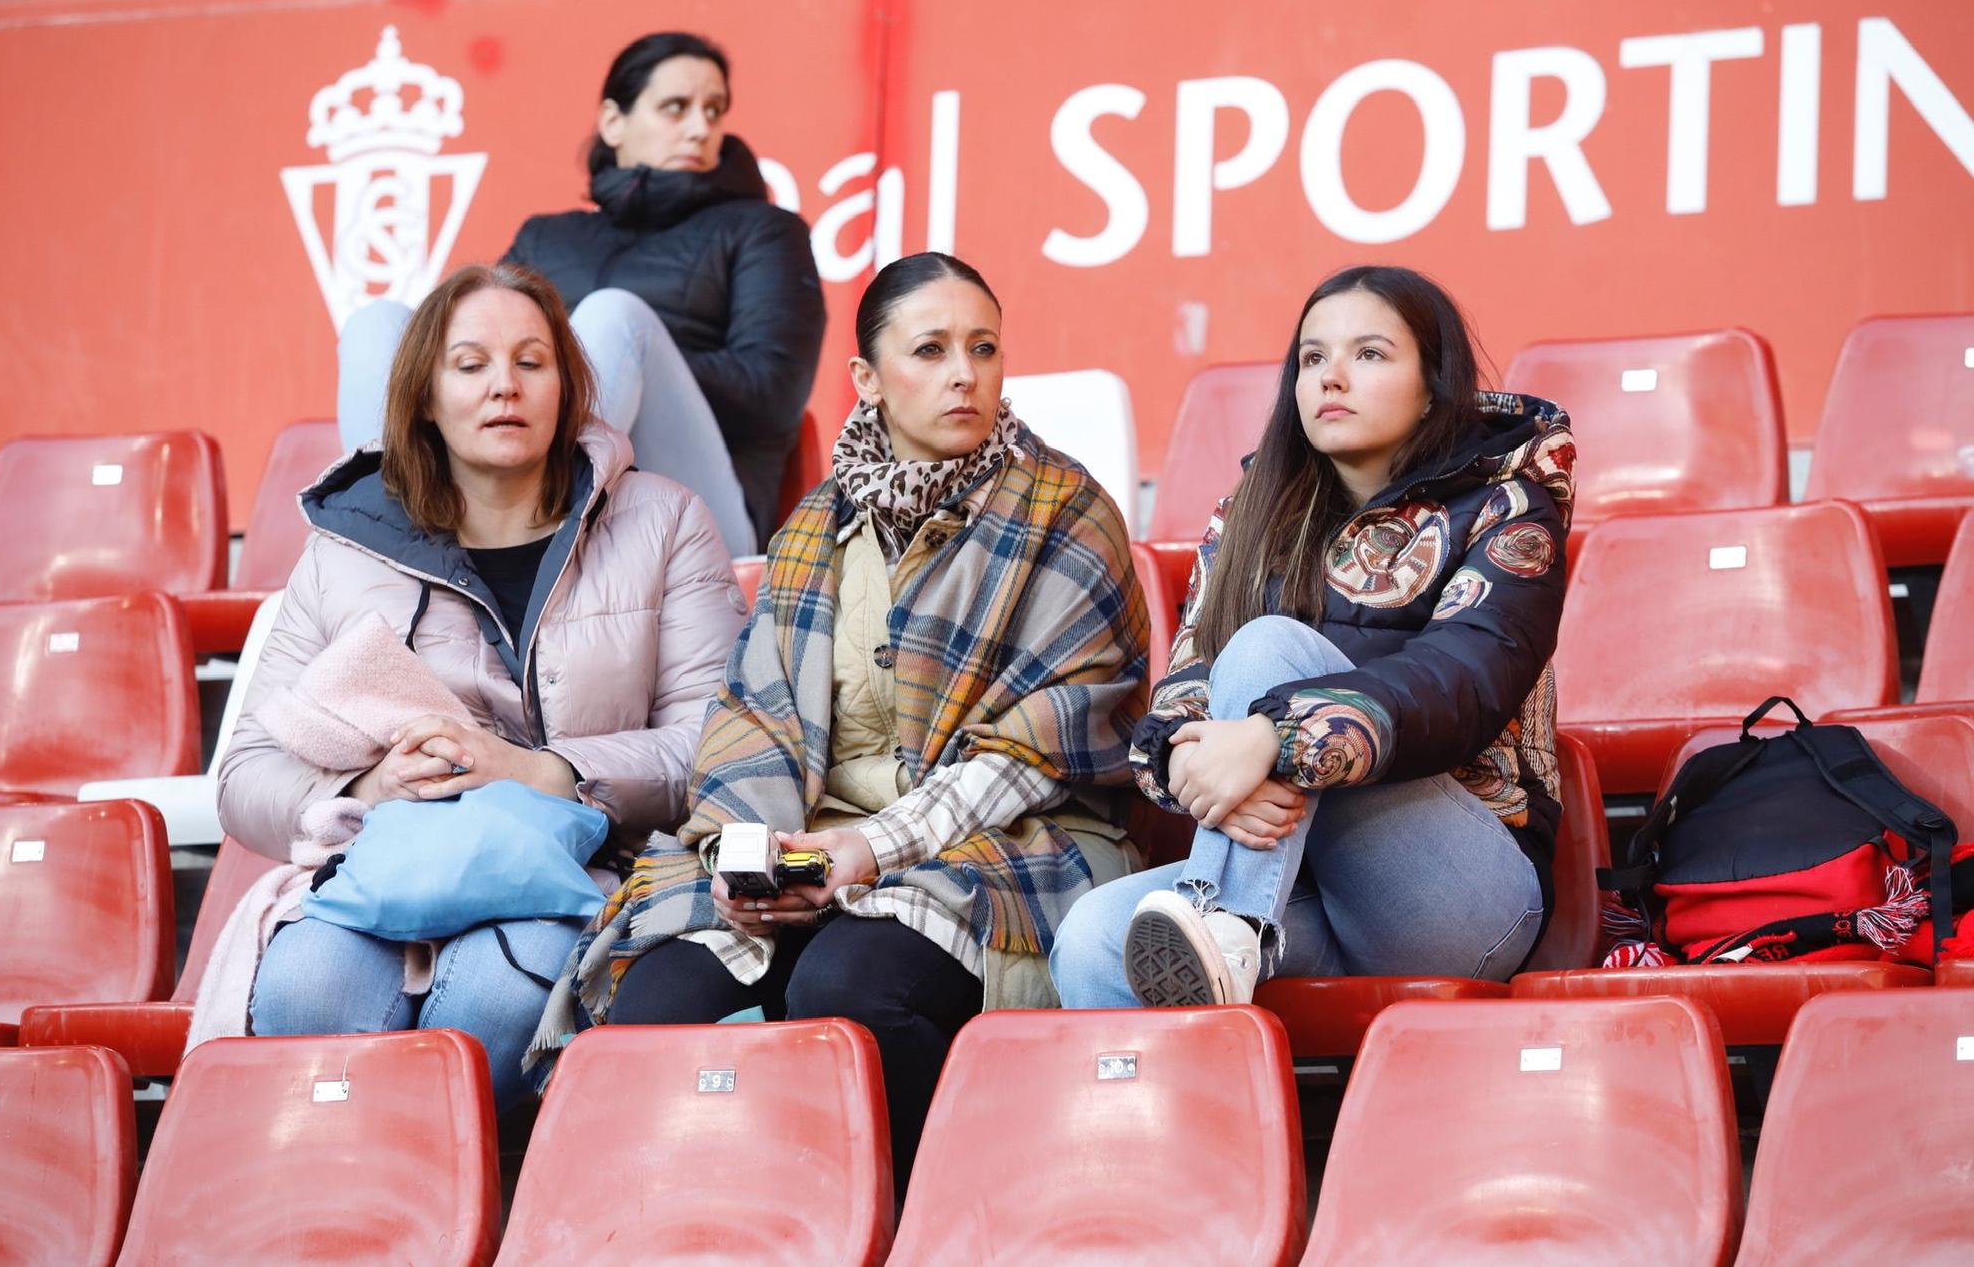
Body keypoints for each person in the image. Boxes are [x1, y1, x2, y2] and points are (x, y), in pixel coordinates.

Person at [532, 252, 1150, 1188]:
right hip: (816, 850)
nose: (963, 374)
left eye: (983, 348)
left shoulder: (1069, 512)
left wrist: (867, 851)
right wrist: (748, 860)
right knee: (656, 1001)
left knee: (849, 986)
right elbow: (753, 720)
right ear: (866, 380)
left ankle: (939, 1216)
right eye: (931, 349)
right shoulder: (816, 524)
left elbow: (1035, 752)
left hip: (1012, 843)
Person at [224, 262, 745, 1112]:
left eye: (531, 361)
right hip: (386, 862)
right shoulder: (346, 547)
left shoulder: (664, 519)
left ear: (569, 385)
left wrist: (539, 770)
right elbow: (246, 774)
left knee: (497, 1005)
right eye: (470, 365)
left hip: (584, 869)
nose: (504, 385)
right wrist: (367, 788)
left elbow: (719, 748)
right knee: (302, 992)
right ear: (425, 396)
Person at [1050, 264, 1575, 1009]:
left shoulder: (1508, 506)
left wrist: (1272, 741)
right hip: (1296, 888)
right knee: (1093, 939)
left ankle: (1223, 919)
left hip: (1455, 893)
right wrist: (1198, 765)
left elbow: (1463, 680)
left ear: (1433, 383)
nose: (1332, 377)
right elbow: (1181, 696)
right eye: (1311, 358)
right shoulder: (1248, 518)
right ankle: (1220, 1072)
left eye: (1369, 354)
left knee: (1269, 649)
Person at [338, 31, 825, 557]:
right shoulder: (547, 237)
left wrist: (620, 359)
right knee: (377, 321)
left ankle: (534, 523)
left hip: (699, 508)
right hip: (515, 488)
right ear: (613, 123)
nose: (700, 128)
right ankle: (384, 538)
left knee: (614, 316)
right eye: (676, 107)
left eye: (714, 110)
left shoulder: (765, 229)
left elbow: (772, 395)